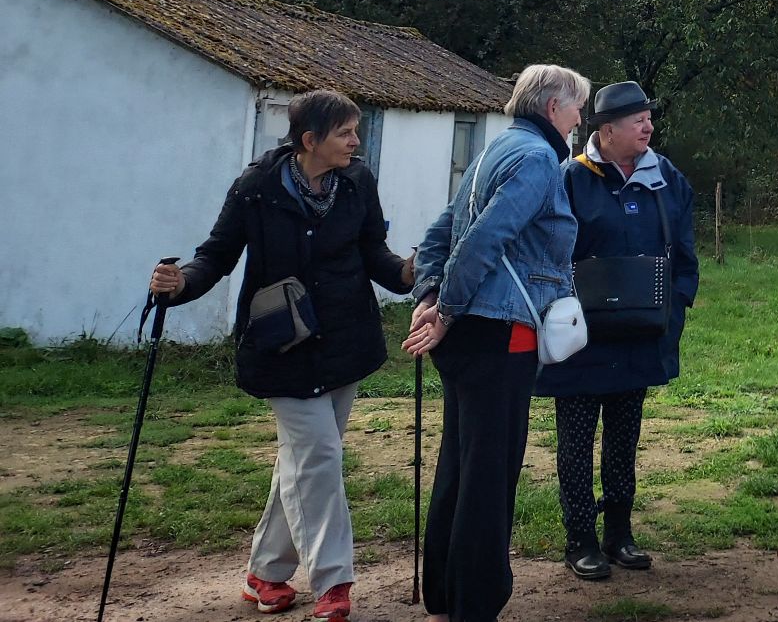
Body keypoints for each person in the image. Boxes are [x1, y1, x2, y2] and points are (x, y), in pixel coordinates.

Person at [149, 88, 413, 622]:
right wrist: (178, 286)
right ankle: (334, 582)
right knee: (319, 456)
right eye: (345, 132)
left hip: (345, 341)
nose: (355, 141)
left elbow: (374, 254)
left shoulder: (357, 181)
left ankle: (265, 573)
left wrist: (408, 272)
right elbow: (216, 256)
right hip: (282, 345)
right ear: (309, 140)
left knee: (305, 460)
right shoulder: (256, 189)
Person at [404, 64, 585, 622]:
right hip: (500, 333)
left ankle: (447, 596)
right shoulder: (536, 159)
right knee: (490, 475)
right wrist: (447, 307)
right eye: (578, 105)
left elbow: (440, 231)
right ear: (553, 107)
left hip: (469, 336)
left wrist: (430, 291)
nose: (581, 118)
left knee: (460, 468)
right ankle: (476, 603)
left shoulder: (492, 150)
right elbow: (486, 236)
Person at [537, 81, 699, 581]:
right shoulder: (569, 179)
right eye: (637, 120)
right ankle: (580, 539)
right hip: (584, 335)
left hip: (641, 332)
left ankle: (619, 534)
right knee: (577, 439)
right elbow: (547, 250)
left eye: (649, 118)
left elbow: (685, 251)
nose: (648, 126)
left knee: (625, 437)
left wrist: (678, 302)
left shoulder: (667, 178)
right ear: (607, 130)